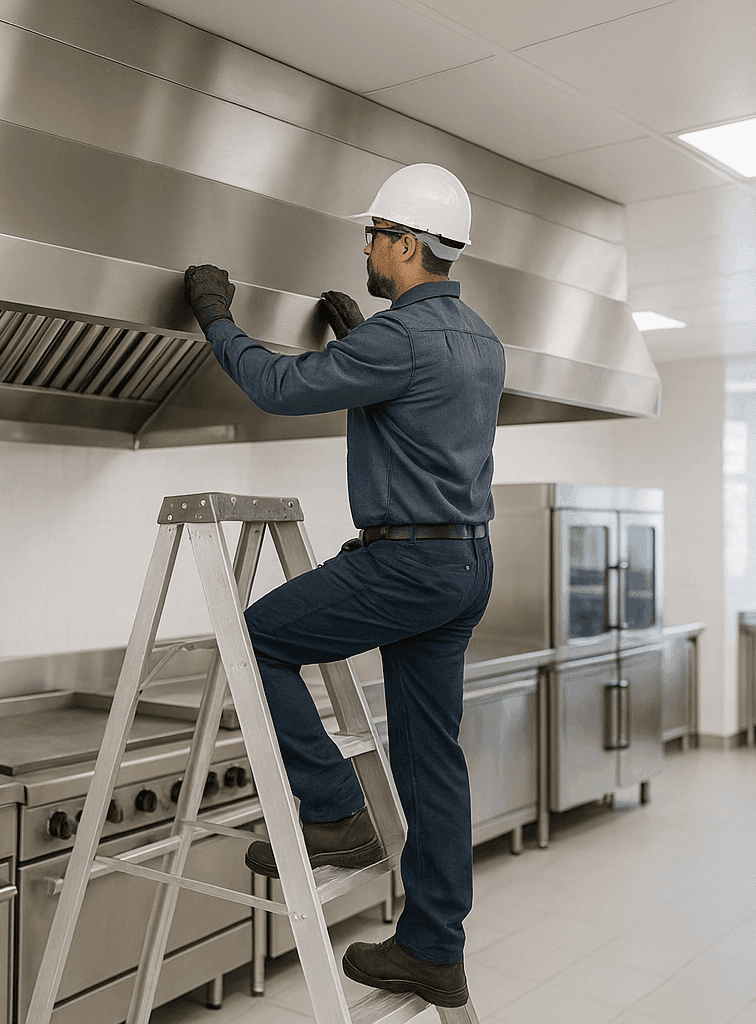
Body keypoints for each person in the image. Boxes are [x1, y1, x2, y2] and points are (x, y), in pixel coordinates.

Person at [182, 163, 504, 1009]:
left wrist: (216, 317)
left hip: (405, 564)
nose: (365, 246)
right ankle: (434, 949)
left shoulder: (400, 340)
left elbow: (279, 387)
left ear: (404, 243)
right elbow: (419, 416)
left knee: (253, 637)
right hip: (466, 564)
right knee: (433, 762)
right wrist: (358, 334)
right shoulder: (478, 337)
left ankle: (335, 813)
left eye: (374, 234)